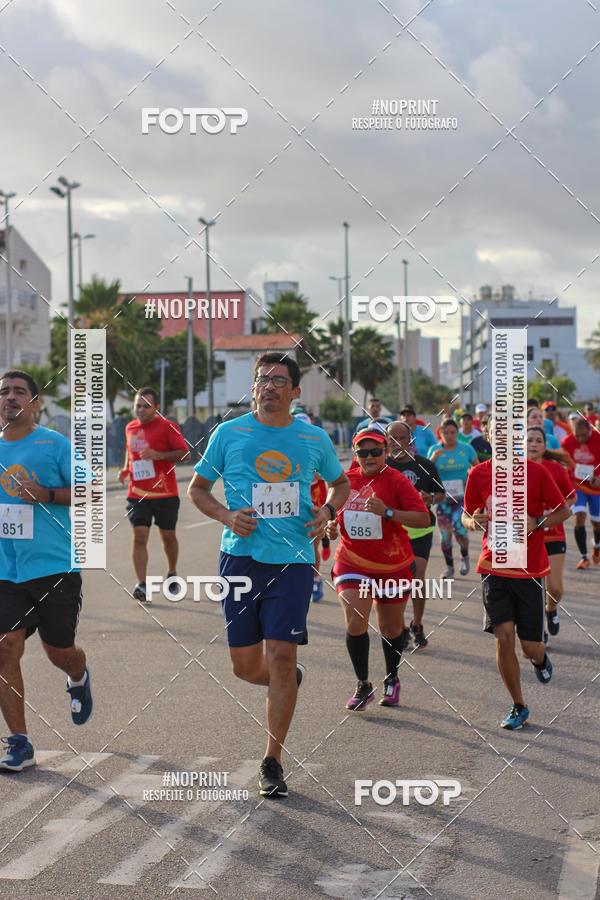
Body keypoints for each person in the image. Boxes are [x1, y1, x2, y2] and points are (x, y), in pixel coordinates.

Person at [188, 353, 350, 799]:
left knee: (281, 653)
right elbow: (197, 490)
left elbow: (341, 483)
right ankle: (286, 681)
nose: (269, 386)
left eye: (279, 380)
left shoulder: (312, 437)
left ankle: (272, 760)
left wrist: (329, 511)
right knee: (244, 667)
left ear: (295, 391)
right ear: (254, 387)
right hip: (239, 560)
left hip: (293, 561)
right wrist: (225, 516)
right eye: (263, 380)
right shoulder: (229, 432)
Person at [0, 370, 93, 772]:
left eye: (19, 391)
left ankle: (78, 676)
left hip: (54, 568)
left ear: (35, 402)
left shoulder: (55, 445)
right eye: (3, 392)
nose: (10, 397)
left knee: (59, 652)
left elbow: (90, 491)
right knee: (4, 649)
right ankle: (20, 742)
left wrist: (48, 495)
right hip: (6, 571)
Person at [462, 434, 570, 730]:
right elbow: (467, 515)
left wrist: (540, 523)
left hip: (529, 570)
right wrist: (474, 522)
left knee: (529, 648)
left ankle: (540, 659)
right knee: (503, 638)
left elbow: (564, 510)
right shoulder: (478, 473)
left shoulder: (536, 472)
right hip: (493, 567)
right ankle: (519, 705)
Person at [327, 428, 429, 709]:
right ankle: (363, 684)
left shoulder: (396, 480)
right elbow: (333, 514)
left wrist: (388, 512)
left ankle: (391, 678)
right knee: (355, 619)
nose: (369, 457)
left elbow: (423, 519)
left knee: (390, 627)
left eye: (375, 451)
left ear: (385, 452)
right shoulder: (345, 481)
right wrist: (331, 526)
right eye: (362, 452)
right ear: (355, 454)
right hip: (351, 561)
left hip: (392, 564)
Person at [119, 387, 190, 602]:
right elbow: (130, 452)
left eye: (146, 406)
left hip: (165, 493)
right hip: (137, 492)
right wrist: (125, 468)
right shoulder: (130, 427)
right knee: (139, 536)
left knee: (167, 536)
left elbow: (185, 454)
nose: (140, 410)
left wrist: (158, 455)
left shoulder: (168, 426)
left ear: (156, 408)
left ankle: (172, 572)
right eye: (137, 406)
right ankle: (141, 584)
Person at [385, 420, 445, 648]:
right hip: (392, 531)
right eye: (393, 439)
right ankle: (400, 628)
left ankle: (417, 624)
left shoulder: (425, 465)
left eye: (402, 438)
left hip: (421, 528)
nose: (398, 443)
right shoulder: (382, 467)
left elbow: (440, 493)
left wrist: (430, 498)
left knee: (417, 579)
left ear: (410, 441)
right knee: (397, 583)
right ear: (386, 441)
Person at [526, 426, 575, 638]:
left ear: (545, 446)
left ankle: (551, 609)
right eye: (529, 440)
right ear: (522, 444)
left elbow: (571, 497)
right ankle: (539, 629)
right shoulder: (515, 470)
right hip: (527, 537)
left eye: (538, 441)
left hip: (554, 534)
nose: (533, 444)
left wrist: (553, 511)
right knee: (533, 589)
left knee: (554, 589)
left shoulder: (555, 469)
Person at [427, 418, 478, 577]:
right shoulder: (435, 450)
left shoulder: (466, 449)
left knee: (460, 530)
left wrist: (472, 479)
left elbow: (477, 468)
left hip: (461, 498)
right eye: (445, 433)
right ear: (440, 433)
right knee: (445, 536)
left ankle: (464, 556)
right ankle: (449, 567)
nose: (449, 436)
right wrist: (433, 460)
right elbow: (426, 474)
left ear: (458, 433)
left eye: (453, 432)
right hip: (442, 499)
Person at [561, 417, 600, 569]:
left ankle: (596, 545)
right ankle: (583, 557)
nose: (581, 439)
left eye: (584, 435)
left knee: (597, 523)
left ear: (590, 431)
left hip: (596, 487)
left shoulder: (598, 439)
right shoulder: (567, 442)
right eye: (577, 435)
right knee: (579, 517)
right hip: (577, 485)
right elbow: (564, 463)